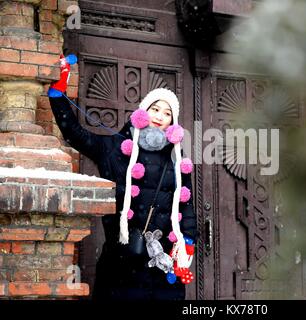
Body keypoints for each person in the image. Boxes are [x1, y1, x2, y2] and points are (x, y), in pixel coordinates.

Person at [47, 55, 197, 300]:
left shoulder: (177, 158)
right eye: (155, 109)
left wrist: (188, 241)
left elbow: (186, 205)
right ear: (143, 112)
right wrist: (59, 92)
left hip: (164, 260)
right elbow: (75, 134)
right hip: (122, 258)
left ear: (172, 122)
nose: (159, 116)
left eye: (167, 113)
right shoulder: (116, 148)